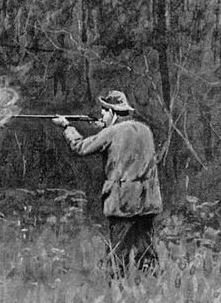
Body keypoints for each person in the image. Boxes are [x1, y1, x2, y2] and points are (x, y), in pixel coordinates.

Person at [52, 90, 163, 277]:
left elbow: (80, 147)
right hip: (148, 201)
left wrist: (67, 126)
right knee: (146, 251)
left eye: (104, 111)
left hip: (123, 202)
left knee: (118, 252)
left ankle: (117, 290)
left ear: (112, 112)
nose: (102, 114)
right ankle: (150, 286)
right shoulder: (145, 130)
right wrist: (103, 128)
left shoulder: (111, 132)